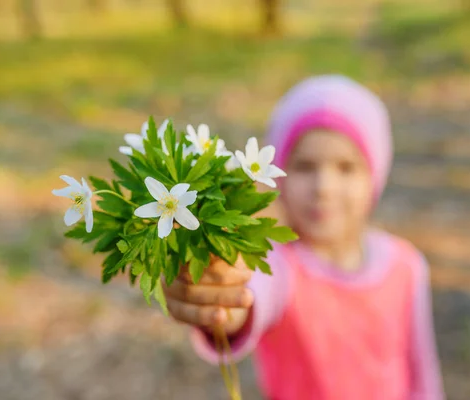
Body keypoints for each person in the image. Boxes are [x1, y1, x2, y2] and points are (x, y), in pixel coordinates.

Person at [163, 75, 445, 400]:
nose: (323, 187)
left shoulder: (406, 266)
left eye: (346, 167)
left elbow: (422, 374)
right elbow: (250, 295)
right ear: (277, 175)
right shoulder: (278, 266)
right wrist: (218, 293)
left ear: (375, 177)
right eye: (305, 166)